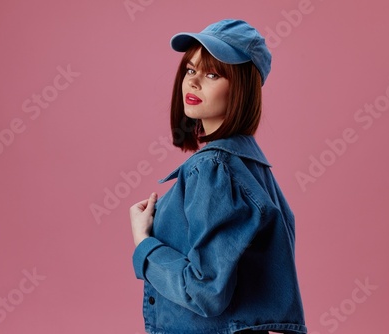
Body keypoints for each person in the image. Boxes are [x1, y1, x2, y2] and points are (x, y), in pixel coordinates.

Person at [130, 19, 307, 334]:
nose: (194, 82)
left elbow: (205, 292)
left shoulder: (214, 168)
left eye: (212, 73)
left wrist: (144, 244)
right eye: (190, 70)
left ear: (241, 87)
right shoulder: (253, 167)